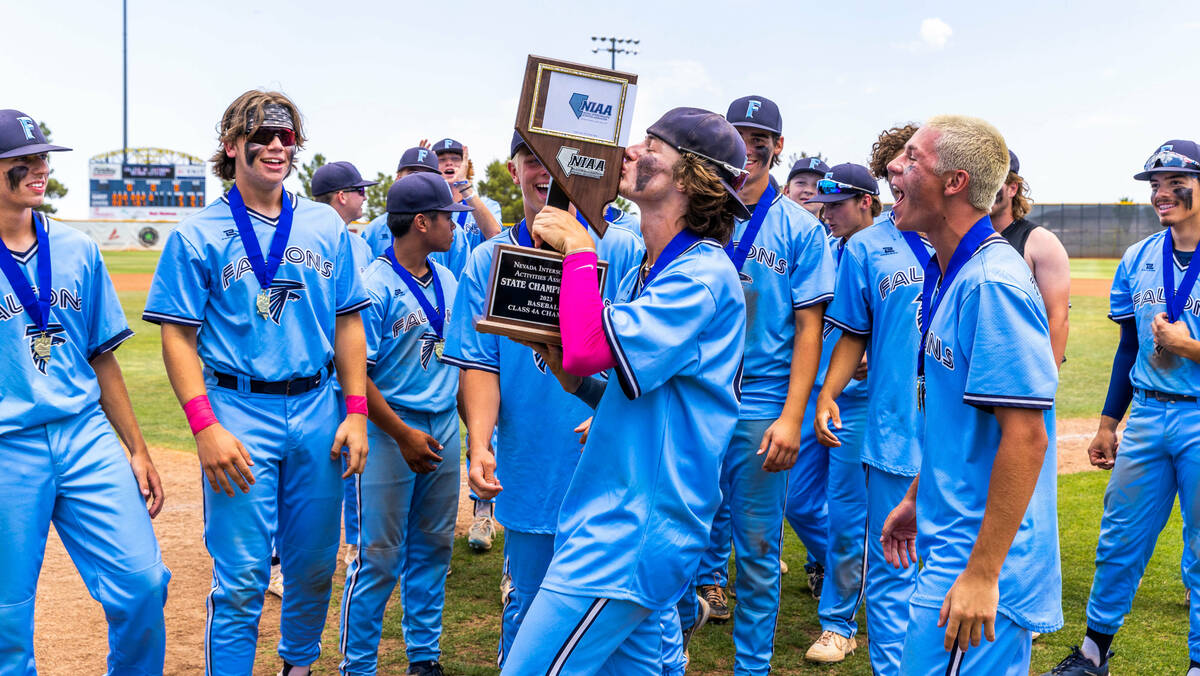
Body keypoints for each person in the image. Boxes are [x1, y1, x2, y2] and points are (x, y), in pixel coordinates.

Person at [499, 106, 748, 674]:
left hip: (628, 533)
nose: (631, 152)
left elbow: (591, 344)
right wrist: (571, 376)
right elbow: (635, 393)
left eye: (653, 146)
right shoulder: (657, 266)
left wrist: (581, 249)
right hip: (625, 520)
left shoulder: (703, 273)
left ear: (692, 178)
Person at [143, 90, 371, 676]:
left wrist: (356, 411)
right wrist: (204, 427)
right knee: (243, 575)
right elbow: (177, 337)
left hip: (319, 407)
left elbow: (348, 320)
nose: (275, 147)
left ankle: (298, 665)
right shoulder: (198, 232)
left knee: (316, 564)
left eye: (285, 137)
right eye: (260, 136)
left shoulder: (325, 225)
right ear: (231, 146)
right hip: (237, 410)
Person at [442, 130, 643, 667]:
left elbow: (641, 357)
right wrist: (480, 443)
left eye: (561, 160)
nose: (547, 172)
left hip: (609, 466)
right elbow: (480, 364)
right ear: (513, 170)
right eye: (534, 158)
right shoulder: (488, 258)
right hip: (531, 467)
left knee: (620, 622)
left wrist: (613, 411)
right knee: (528, 611)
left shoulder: (621, 247)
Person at [880, 115, 1061, 675]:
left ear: (955, 182)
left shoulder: (992, 284)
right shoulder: (951, 270)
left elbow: (1027, 438)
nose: (894, 166)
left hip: (980, 558)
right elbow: (959, 417)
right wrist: (917, 494)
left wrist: (984, 572)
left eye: (912, 159)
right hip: (952, 537)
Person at [0, 108, 169, 674]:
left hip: (84, 433)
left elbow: (102, 357)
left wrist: (138, 448)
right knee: (5, 616)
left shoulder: (76, 249)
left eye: (43, 157)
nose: (40, 168)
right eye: (22, 161)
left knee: (144, 584)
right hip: (8, 449)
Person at [686, 95, 833, 675]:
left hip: (763, 404)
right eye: (737, 134)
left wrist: (793, 416)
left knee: (758, 549)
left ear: (778, 143)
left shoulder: (799, 227)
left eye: (760, 136)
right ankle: (669, 650)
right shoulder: (698, 216)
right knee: (682, 532)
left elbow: (809, 328)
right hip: (697, 397)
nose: (748, 146)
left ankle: (752, 665)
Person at [1043, 140, 1200, 676]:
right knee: (1119, 538)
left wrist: (1189, 348)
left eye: (1173, 182)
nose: (1161, 194)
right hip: (1150, 416)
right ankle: (1093, 653)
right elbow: (1129, 348)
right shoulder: (1138, 258)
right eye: (1153, 184)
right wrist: (1108, 424)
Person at [338, 172, 470, 676]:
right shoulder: (373, 285)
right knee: (379, 556)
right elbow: (355, 377)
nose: (454, 227)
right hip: (389, 432)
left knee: (434, 548)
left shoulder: (449, 280)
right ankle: (358, 666)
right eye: (447, 218)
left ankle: (424, 658)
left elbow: (456, 366)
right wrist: (401, 434)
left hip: (440, 430)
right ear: (421, 222)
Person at [809, 155, 927, 671]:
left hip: (945, 419)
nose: (828, 213)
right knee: (853, 524)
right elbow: (852, 329)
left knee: (935, 537)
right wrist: (830, 389)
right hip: (876, 417)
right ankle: (838, 624)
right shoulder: (864, 248)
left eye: (837, 204)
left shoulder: (962, 239)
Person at [310, 159, 378, 575]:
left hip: (349, 372)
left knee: (351, 461)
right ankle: (281, 555)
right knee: (310, 471)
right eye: (359, 191)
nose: (364, 197)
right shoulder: (309, 238)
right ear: (341, 196)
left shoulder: (361, 243)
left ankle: (354, 540)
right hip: (316, 381)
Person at [991, 150, 1070, 366]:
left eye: (993, 180)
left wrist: (1045, 383)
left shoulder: (1040, 242)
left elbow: (1058, 319)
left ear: (1013, 188)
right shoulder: (962, 240)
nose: (985, 188)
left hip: (1022, 371)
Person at [362, 147, 442, 258]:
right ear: (398, 178)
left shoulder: (451, 231)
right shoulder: (374, 230)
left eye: (428, 175)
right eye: (413, 173)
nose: (420, 180)